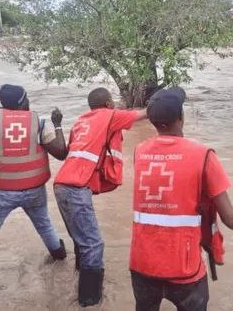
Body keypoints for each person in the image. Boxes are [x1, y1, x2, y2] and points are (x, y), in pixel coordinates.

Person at [129, 87, 233, 311]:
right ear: (181, 118)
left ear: (154, 122)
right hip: (184, 268)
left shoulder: (140, 151)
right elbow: (230, 218)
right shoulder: (203, 155)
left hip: (141, 262)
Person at [0, 84, 68, 305]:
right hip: (34, 190)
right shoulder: (38, 123)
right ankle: (60, 258)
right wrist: (57, 125)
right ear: (22, 102)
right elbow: (61, 153)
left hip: (2, 194)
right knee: (44, 224)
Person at [54, 87, 147, 307]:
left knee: (82, 242)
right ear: (108, 104)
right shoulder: (110, 116)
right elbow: (145, 114)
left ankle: (80, 284)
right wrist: (165, 100)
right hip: (76, 188)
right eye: (112, 101)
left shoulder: (80, 121)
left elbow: (68, 152)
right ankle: (90, 301)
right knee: (94, 246)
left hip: (61, 185)